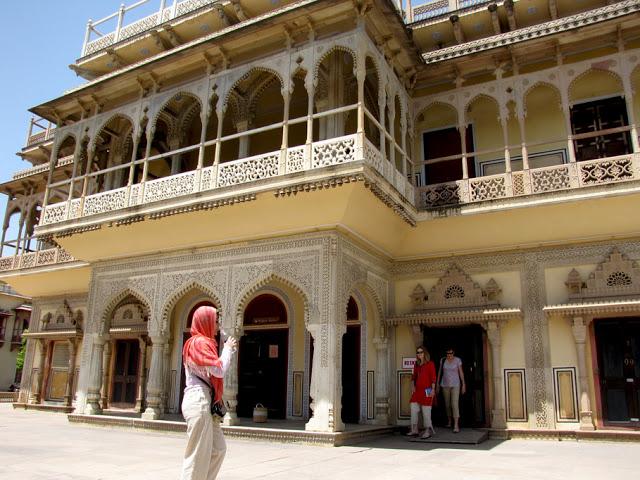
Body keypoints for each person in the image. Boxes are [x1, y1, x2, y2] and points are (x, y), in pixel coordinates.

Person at [180, 305, 238, 480]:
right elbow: (218, 370)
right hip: (198, 399)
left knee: (218, 449)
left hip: (206, 400)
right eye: (215, 321)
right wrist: (227, 349)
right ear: (205, 321)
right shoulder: (198, 342)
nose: (217, 325)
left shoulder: (205, 343)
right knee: (197, 455)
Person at [406, 346, 437, 439]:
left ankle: (427, 430)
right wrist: (412, 386)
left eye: (421, 352)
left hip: (427, 390)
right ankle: (414, 429)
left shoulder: (430, 364)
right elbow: (413, 377)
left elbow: (433, 378)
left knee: (426, 410)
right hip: (417, 390)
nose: (419, 354)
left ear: (425, 353)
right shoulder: (416, 364)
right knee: (413, 408)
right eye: (418, 352)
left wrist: (433, 389)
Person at [436, 347, 466, 433]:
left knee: (454, 404)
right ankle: (449, 421)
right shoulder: (443, 360)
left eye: (451, 353)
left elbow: (461, 372)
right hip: (445, 384)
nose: (449, 355)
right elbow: (439, 372)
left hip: (456, 384)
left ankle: (456, 424)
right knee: (447, 404)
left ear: (454, 353)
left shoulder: (457, 360)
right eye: (448, 353)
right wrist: (437, 384)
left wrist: (463, 384)